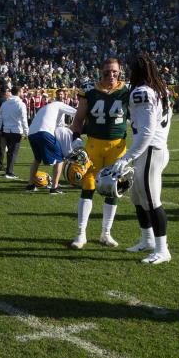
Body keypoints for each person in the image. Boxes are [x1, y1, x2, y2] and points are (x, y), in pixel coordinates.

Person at [113, 53, 173, 264]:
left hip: (150, 150)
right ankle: (147, 240)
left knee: (151, 200)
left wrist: (127, 157)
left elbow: (147, 131)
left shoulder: (142, 92)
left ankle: (162, 249)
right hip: (151, 149)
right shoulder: (159, 89)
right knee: (138, 198)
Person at [68, 57, 130, 249]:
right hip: (93, 146)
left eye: (115, 72)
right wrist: (76, 137)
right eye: (107, 72)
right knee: (88, 187)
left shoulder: (128, 91)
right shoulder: (89, 90)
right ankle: (81, 234)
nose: (111, 75)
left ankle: (106, 233)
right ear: (100, 72)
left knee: (113, 190)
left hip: (118, 148)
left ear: (120, 72)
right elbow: (78, 118)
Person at [25, 88, 74, 194]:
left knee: (37, 159)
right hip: (44, 132)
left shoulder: (46, 106)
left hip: (31, 133)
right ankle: (54, 188)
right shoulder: (59, 104)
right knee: (60, 159)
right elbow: (77, 113)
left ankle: (30, 185)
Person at [0, 85, 28, 179]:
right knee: (13, 152)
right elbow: (24, 119)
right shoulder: (21, 104)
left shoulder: (5, 103)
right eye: (22, 91)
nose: (23, 93)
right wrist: (27, 132)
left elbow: (0, 117)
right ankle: (9, 172)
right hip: (16, 131)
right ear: (18, 92)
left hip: (6, 130)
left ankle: (8, 171)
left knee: (10, 152)